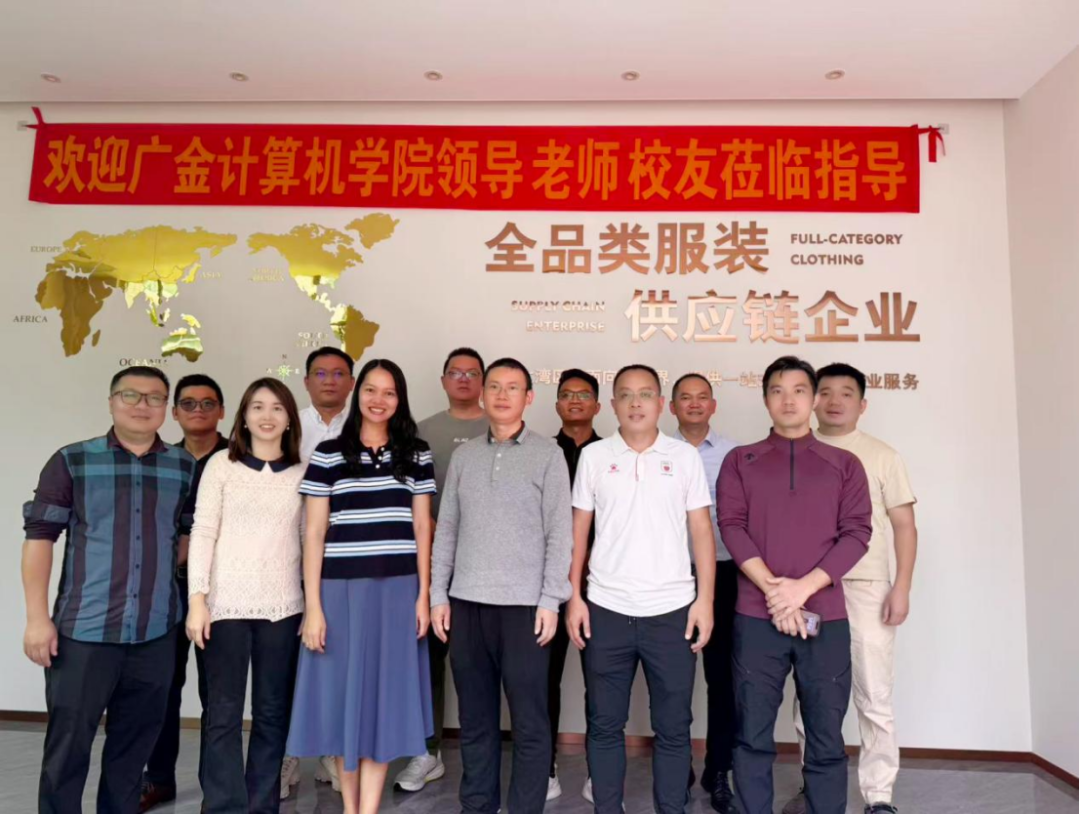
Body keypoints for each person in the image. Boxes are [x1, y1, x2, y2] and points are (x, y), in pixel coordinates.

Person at [22, 366, 196, 814]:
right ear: (112, 402)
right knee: (67, 750)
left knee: (132, 752)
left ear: (166, 408)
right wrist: (37, 619)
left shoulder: (184, 466)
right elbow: (40, 539)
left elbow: (186, 536)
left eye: (154, 397)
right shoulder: (72, 461)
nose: (142, 405)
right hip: (84, 632)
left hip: (155, 634)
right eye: (130, 395)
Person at [718, 356, 872, 814]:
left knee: (826, 737)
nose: (788, 400)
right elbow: (731, 525)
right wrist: (776, 592)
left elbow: (857, 533)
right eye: (778, 390)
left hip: (826, 618)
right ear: (765, 399)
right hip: (755, 617)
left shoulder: (844, 464)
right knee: (752, 735)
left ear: (814, 399)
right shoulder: (740, 460)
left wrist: (801, 590)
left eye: (799, 390)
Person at [287, 360, 435, 814]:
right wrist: (314, 607)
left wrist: (424, 596)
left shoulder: (416, 453)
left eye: (389, 392)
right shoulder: (329, 453)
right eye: (371, 389)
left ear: (399, 399)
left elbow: (422, 527)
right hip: (339, 593)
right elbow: (314, 533)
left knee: (382, 706)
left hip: (398, 592)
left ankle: (366, 810)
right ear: (358, 393)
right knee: (343, 704)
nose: (378, 400)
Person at [566, 364, 716, 814]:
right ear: (612, 405)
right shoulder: (594, 457)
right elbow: (578, 532)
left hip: (672, 611)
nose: (636, 403)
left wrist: (705, 601)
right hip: (606, 608)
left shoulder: (683, 457)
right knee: (604, 724)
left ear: (660, 404)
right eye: (626, 395)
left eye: (646, 394)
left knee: (673, 727)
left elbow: (702, 532)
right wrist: (574, 597)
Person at [430, 358, 572, 814]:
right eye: (494, 386)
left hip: (525, 609)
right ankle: (477, 805)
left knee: (530, 722)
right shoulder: (466, 457)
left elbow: (560, 533)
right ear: (483, 394)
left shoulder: (548, 455)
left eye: (513, 387)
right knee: (475, 720)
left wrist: (551, 600)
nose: (502, 395)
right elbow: (447, 530)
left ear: (528, 397)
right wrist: (438, 594)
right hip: (466, 605)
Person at [782, 363, 918, 814]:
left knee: (873, 694)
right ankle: (814, 786)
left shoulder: (881, 456)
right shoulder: (797, 451)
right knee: (811, 695)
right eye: (825, 392)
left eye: (846, 393)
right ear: (811, 400)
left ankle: (879, 796)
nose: (834, 401)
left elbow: (904, 525)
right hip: (809, 590)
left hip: (866, 587)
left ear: (863, 404)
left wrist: (901, 586)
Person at [184, 378, 306, 813]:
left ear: (289, 418)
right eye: (257, 407)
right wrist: (197, 600)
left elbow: (310, 540)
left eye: (276, 407)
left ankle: (261, 805)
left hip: (284, 608)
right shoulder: (222, 465)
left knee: (272, 713)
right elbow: (203, 532)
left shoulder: (303, 471)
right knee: (223, 714)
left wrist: (314, 606)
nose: (266, 416)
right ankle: (223, 806)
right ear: (243, 417)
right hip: (225, 608)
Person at [395, 347, 489, 793]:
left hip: (488, 567)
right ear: (443, 380)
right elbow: (406, 497)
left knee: (480, 661)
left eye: (473, 373)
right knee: (428, 659)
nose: (464, 379)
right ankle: (426, 751)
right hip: (430, 562)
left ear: (484, 381)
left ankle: (482, 756)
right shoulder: (422, 432)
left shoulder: (500, 427)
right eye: (456, 372)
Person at [140, 374, 228, 812]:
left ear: (222, 411)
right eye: (188, 403)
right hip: (167, 589)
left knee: (218, 694)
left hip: (224, 590)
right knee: (162, 688)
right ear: (174, 412)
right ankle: (158, 779)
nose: (198, 410)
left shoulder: (237, 459)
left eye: (207, 403)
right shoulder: (161, 461)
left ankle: (217, 787)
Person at [282, 345, 355, 797]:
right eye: (320, 373)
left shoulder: (364, 427)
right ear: (306, 381)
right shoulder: (288, 426)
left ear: (352, 382)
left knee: (333, 659)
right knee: (289, 661)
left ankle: (332, 749)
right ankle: (288, 755)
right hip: (286, 556)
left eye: (339, 373)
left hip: (344, 562)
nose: (329, 380)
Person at [669, 372, 739, 813]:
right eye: (685, 398)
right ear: (671, 406)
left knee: (722, 679)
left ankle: (719, 770)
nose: (694, 404)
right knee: (673, 680)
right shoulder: (658, 451)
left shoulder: (735, 454)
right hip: (670, 576)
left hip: (726, 574)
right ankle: (677, 770)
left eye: (702, 397)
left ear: (713, 405)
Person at [548, 368, 603, 802]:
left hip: (599, 584)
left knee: (600, 681)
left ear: (598, 406)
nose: (575, 401)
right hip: (546, 583)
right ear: (557, 405)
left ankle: (598, 771)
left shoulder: (611, 454)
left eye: (583, 394)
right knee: (542, 680)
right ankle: (544, 768)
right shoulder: (542, 452)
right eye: (567, 394)